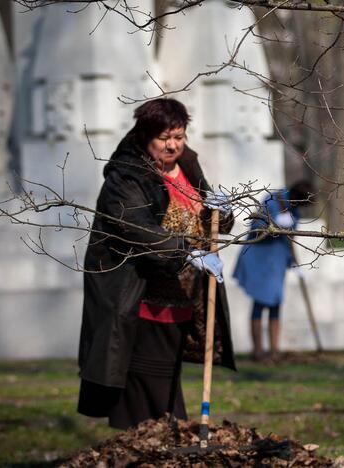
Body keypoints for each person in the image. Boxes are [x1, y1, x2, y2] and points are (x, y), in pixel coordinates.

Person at [76, 98, 237, 429]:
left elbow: (209, 222)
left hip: (181, 301)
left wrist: (221, 212)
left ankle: (161, 449)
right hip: (139, 303)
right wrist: (187, 252)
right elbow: (136, 228)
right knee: (147, 404)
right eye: (165, 137)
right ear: (144, 135)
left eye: (179, 136)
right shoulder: (126, 177)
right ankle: (146, 454)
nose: (173, 145)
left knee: (166, 393)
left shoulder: (188, 167)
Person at [233, 180, 315, 361]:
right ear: (295, 197)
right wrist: (276, 225)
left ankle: (274, 350)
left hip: (276, 261)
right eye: (301, 204)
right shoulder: (271, 200)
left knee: (275, 302)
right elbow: (256, 229)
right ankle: (258, 351)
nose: (301, 208)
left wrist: (294, 262)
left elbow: (292, 236)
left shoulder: (294, 210)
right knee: (260, 302)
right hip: (260, 258)